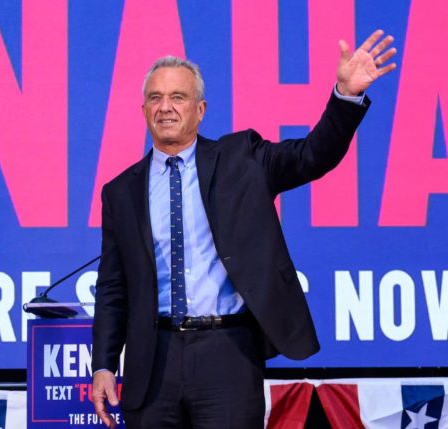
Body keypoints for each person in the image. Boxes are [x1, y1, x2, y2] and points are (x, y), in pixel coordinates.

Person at [91, 30, 397, 428]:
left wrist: (345, 96)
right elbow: (113, 288)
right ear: (143, 109)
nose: (165, 107)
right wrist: (103, 364)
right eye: (155, 98)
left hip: (227, 353)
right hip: (154, 360)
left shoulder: (242, 159)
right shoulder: (120, 192)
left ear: (200, 109)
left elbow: (313, 156)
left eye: (177, 97)